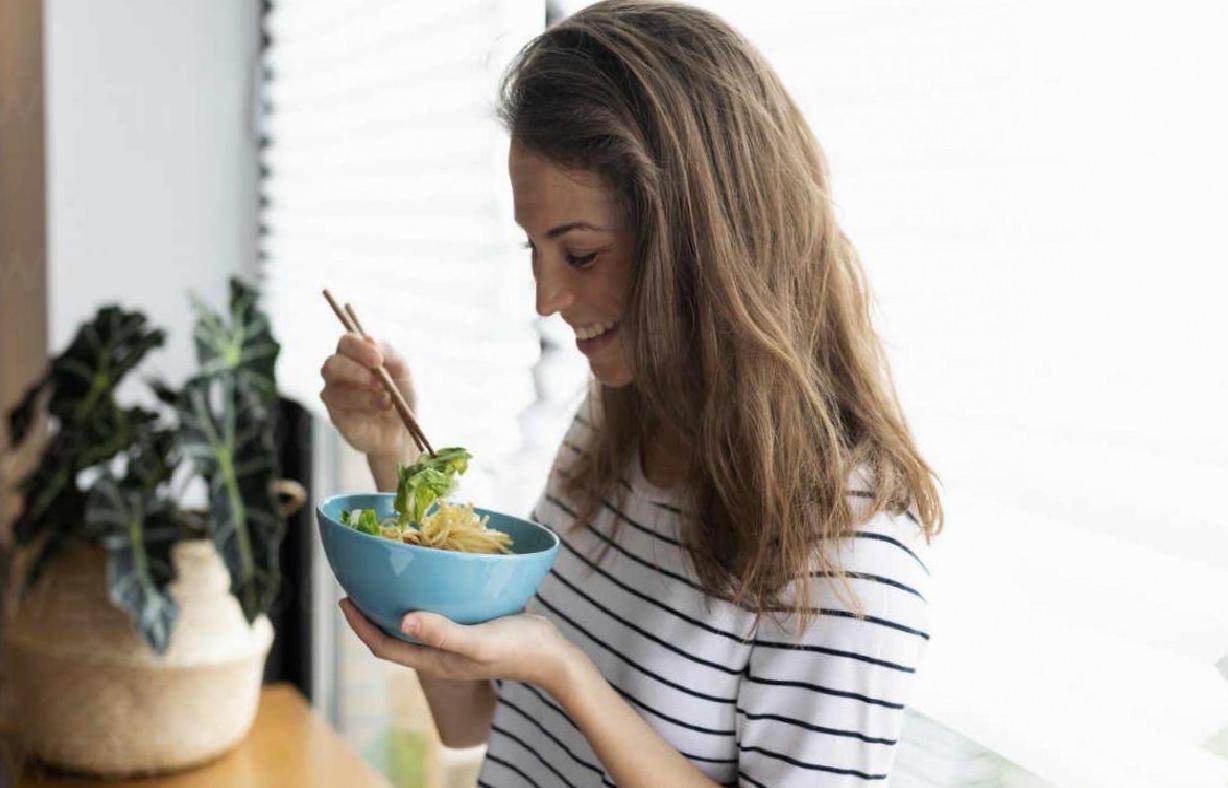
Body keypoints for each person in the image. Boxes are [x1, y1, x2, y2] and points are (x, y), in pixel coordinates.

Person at [319, 2, 943, 785]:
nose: (545, 298)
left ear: (704, 239)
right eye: (534, 248)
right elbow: (468, 716)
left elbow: (538, 678)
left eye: (580, 253)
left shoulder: (852, 554)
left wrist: (567, 674)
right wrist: (391, 455)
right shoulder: (613, 426)